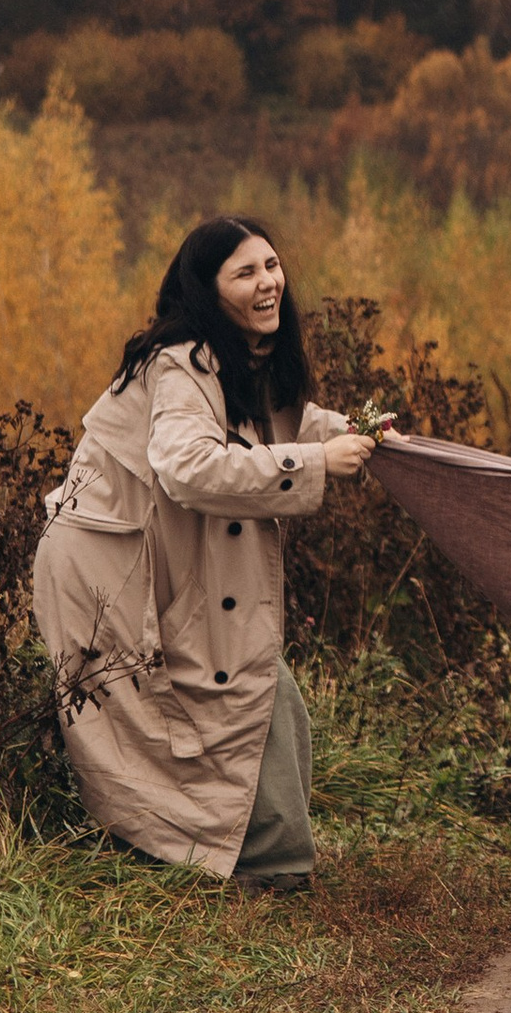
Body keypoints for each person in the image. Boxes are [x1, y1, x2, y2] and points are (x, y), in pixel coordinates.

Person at [32, 217, 376, 888]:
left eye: (271, 265)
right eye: (245, 273)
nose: (268, 282)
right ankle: (247, 865)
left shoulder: (237, 356)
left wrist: (361, 435)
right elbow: (186, 464)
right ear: (208, 290)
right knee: (189, 704)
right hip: (112, 573)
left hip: (163, 555)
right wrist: (315, 461)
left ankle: (253, 859)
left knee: (251, 687)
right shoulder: (181, 360)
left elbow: (270, 421)